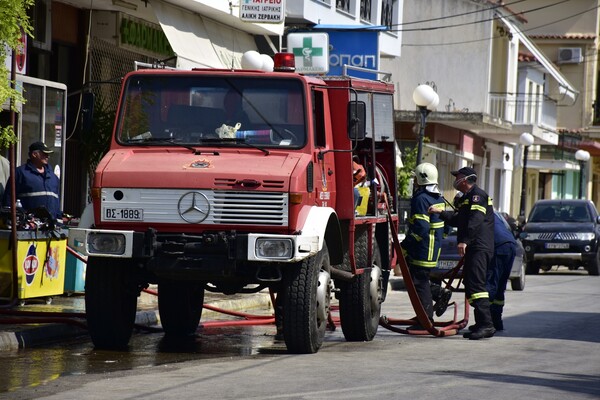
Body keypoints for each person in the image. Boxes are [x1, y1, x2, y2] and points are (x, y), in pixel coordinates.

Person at [429, 166, 495, 340]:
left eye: (457, 176)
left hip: (479, 246)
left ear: (465, 179)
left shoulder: (477, 196)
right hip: (475, 247)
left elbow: (475, 221)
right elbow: (460, 220)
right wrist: (441, 213)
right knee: (471, 284)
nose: (455, 179)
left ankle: (487, 325)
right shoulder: (467, 198)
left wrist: (464, 241)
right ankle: (481, 323)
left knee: (477, 286)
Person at [400, 163, 449, 326]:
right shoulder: (439, 198)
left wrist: (406, 245)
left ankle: (426, 318)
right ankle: (435, 300)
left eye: (416, 178)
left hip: (424, 248)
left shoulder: (421, 198)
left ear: (421, 179)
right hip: (434, 246)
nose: (413, 180)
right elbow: (447, 224)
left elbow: (421, 227)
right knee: (420, 279)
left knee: (419, 282)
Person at [2, 141, 61, 220]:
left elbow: (57, 201)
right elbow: (8, 199)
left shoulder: (53, 177)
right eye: (44, 154)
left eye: (48, 154)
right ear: (34, 154)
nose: (47, 157)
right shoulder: (20, 173)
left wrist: (58, 218)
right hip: (28, 226)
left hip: (51, 226)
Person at [487, 211, 517, 331]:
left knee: (491, 284)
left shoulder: (476, 211)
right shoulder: (494, 214)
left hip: (498, 246)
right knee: (500, 285)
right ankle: (497, 322)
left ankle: (486, 322)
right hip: (510, 245)